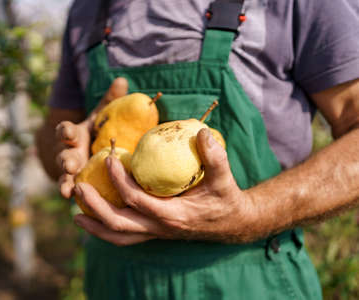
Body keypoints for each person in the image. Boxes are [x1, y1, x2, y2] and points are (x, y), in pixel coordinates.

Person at [36, 0, 359, 299]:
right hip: (114, 282)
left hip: (247, 282)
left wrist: (253, 213)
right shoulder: (86, 11)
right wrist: (73, 145)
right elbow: (53, 146)